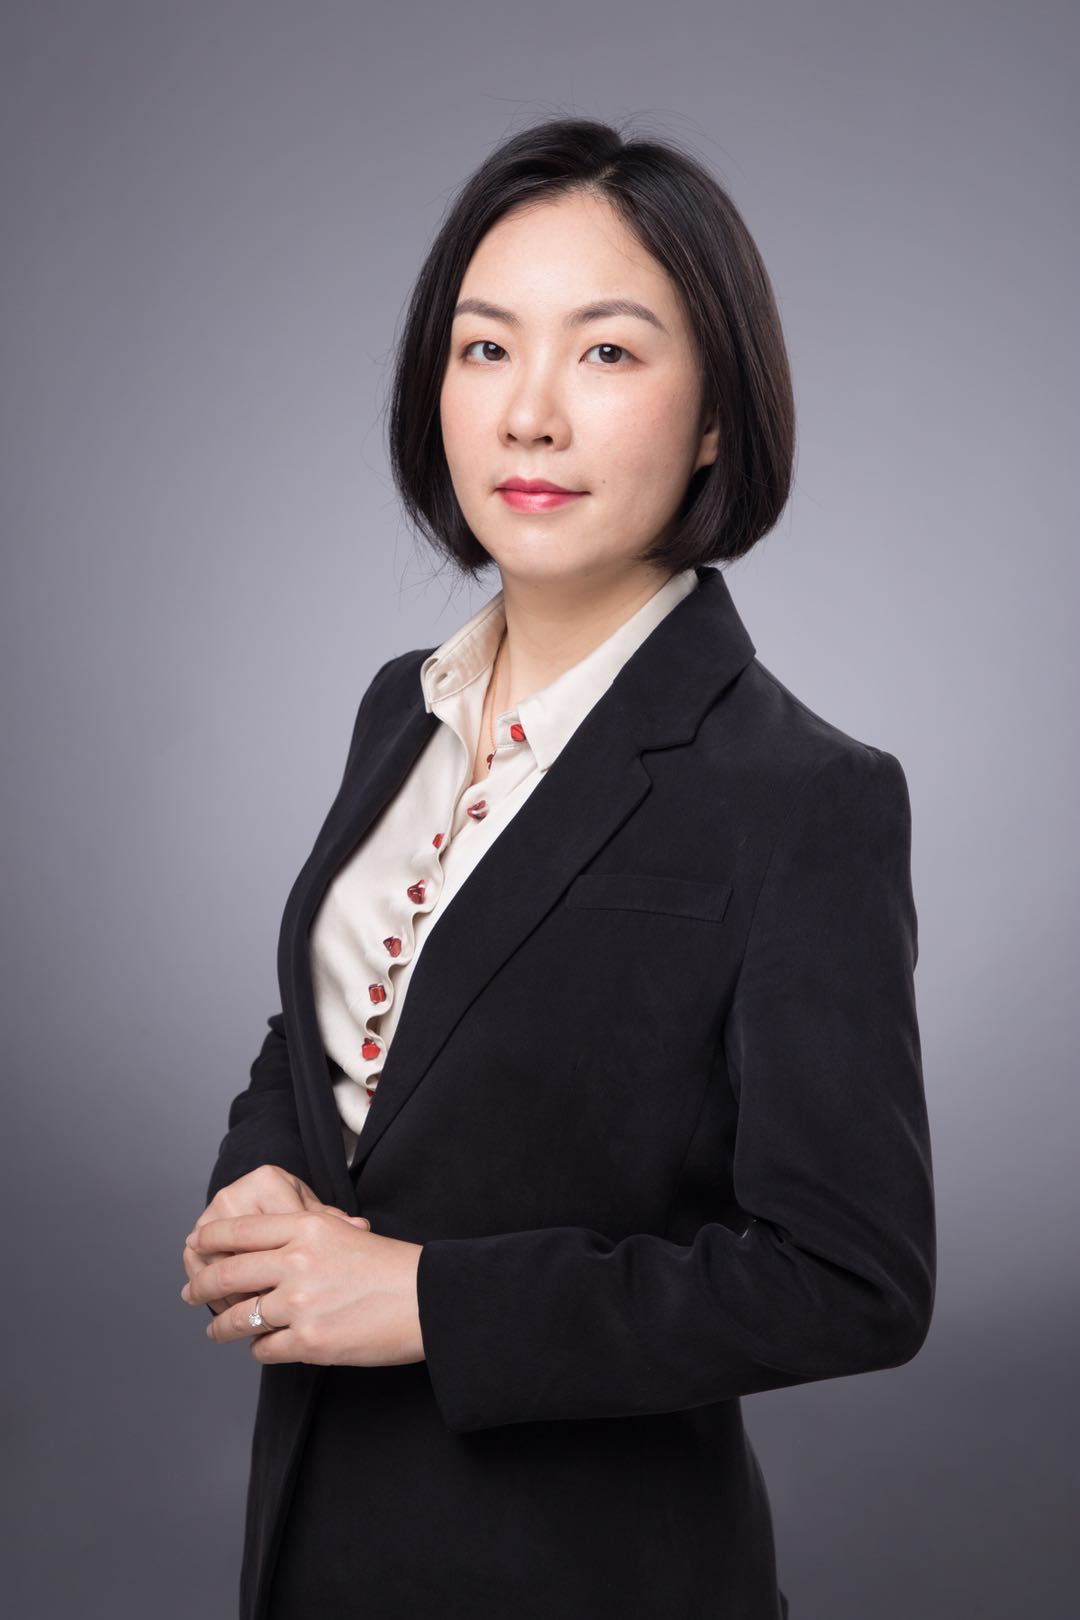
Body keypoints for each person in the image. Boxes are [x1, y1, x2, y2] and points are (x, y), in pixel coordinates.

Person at [179, 116, 936, 1620]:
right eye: (484, 349)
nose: (529, 415)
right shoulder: (401, 708)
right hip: (313, 1537)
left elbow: (852, 1277)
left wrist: (429, 1301)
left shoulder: (809, 799)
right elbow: (346, 1026)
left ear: (715, 416)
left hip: (589, 1572)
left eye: (605, 353)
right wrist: (260, 1171)